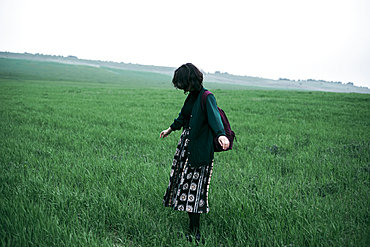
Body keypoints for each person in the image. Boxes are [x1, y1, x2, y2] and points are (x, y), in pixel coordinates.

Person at [160, 63, 230, 243]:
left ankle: (195, 233)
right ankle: (192, 229)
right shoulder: (191, 96)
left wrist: (221, 135)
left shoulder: (207, 97)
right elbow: (183, 116)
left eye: (182, 83)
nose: (181, 87)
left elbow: (214, 117)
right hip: (186, 147)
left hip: (199, 149)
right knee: (184, 185)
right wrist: (170, 129)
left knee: (195, 188)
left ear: (190, 80)